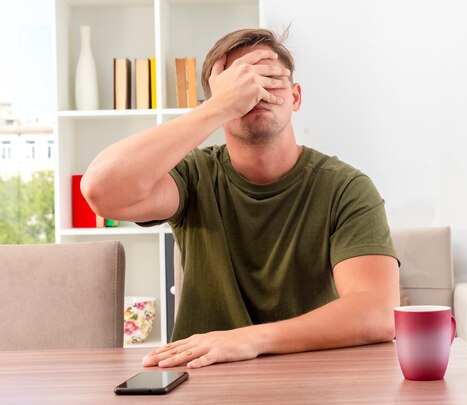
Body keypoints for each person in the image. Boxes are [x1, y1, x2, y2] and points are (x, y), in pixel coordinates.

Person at [81, 28, 400, 369]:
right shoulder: (195, 175)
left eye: (269, 78)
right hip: (202, 378)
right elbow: (101, 189)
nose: (256, 91)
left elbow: (379, 312)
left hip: (309, 375)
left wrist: (252, 339)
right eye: (240, 82)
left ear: (295, 97)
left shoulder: (345, 187)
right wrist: (217, 108)